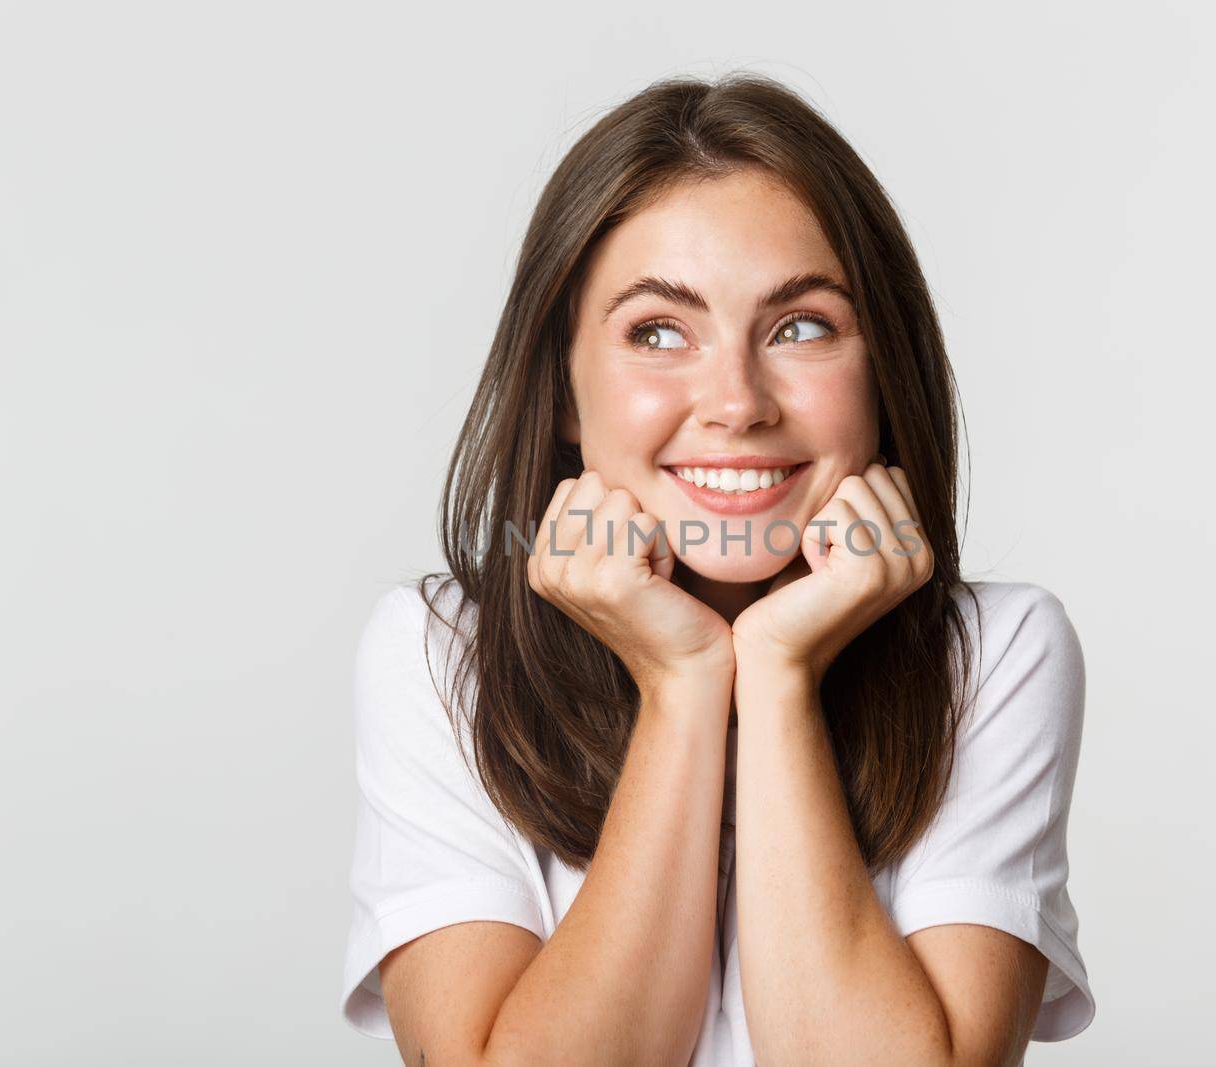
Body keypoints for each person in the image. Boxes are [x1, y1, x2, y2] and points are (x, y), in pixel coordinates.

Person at [340, 72, 1095, 1067]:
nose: (736, 402)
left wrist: (775, 672)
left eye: (801, 326)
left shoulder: (995, 654)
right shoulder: (439, 654)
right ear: (563, 387)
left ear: (882, 371)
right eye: (658, 331)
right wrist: (683, 680)